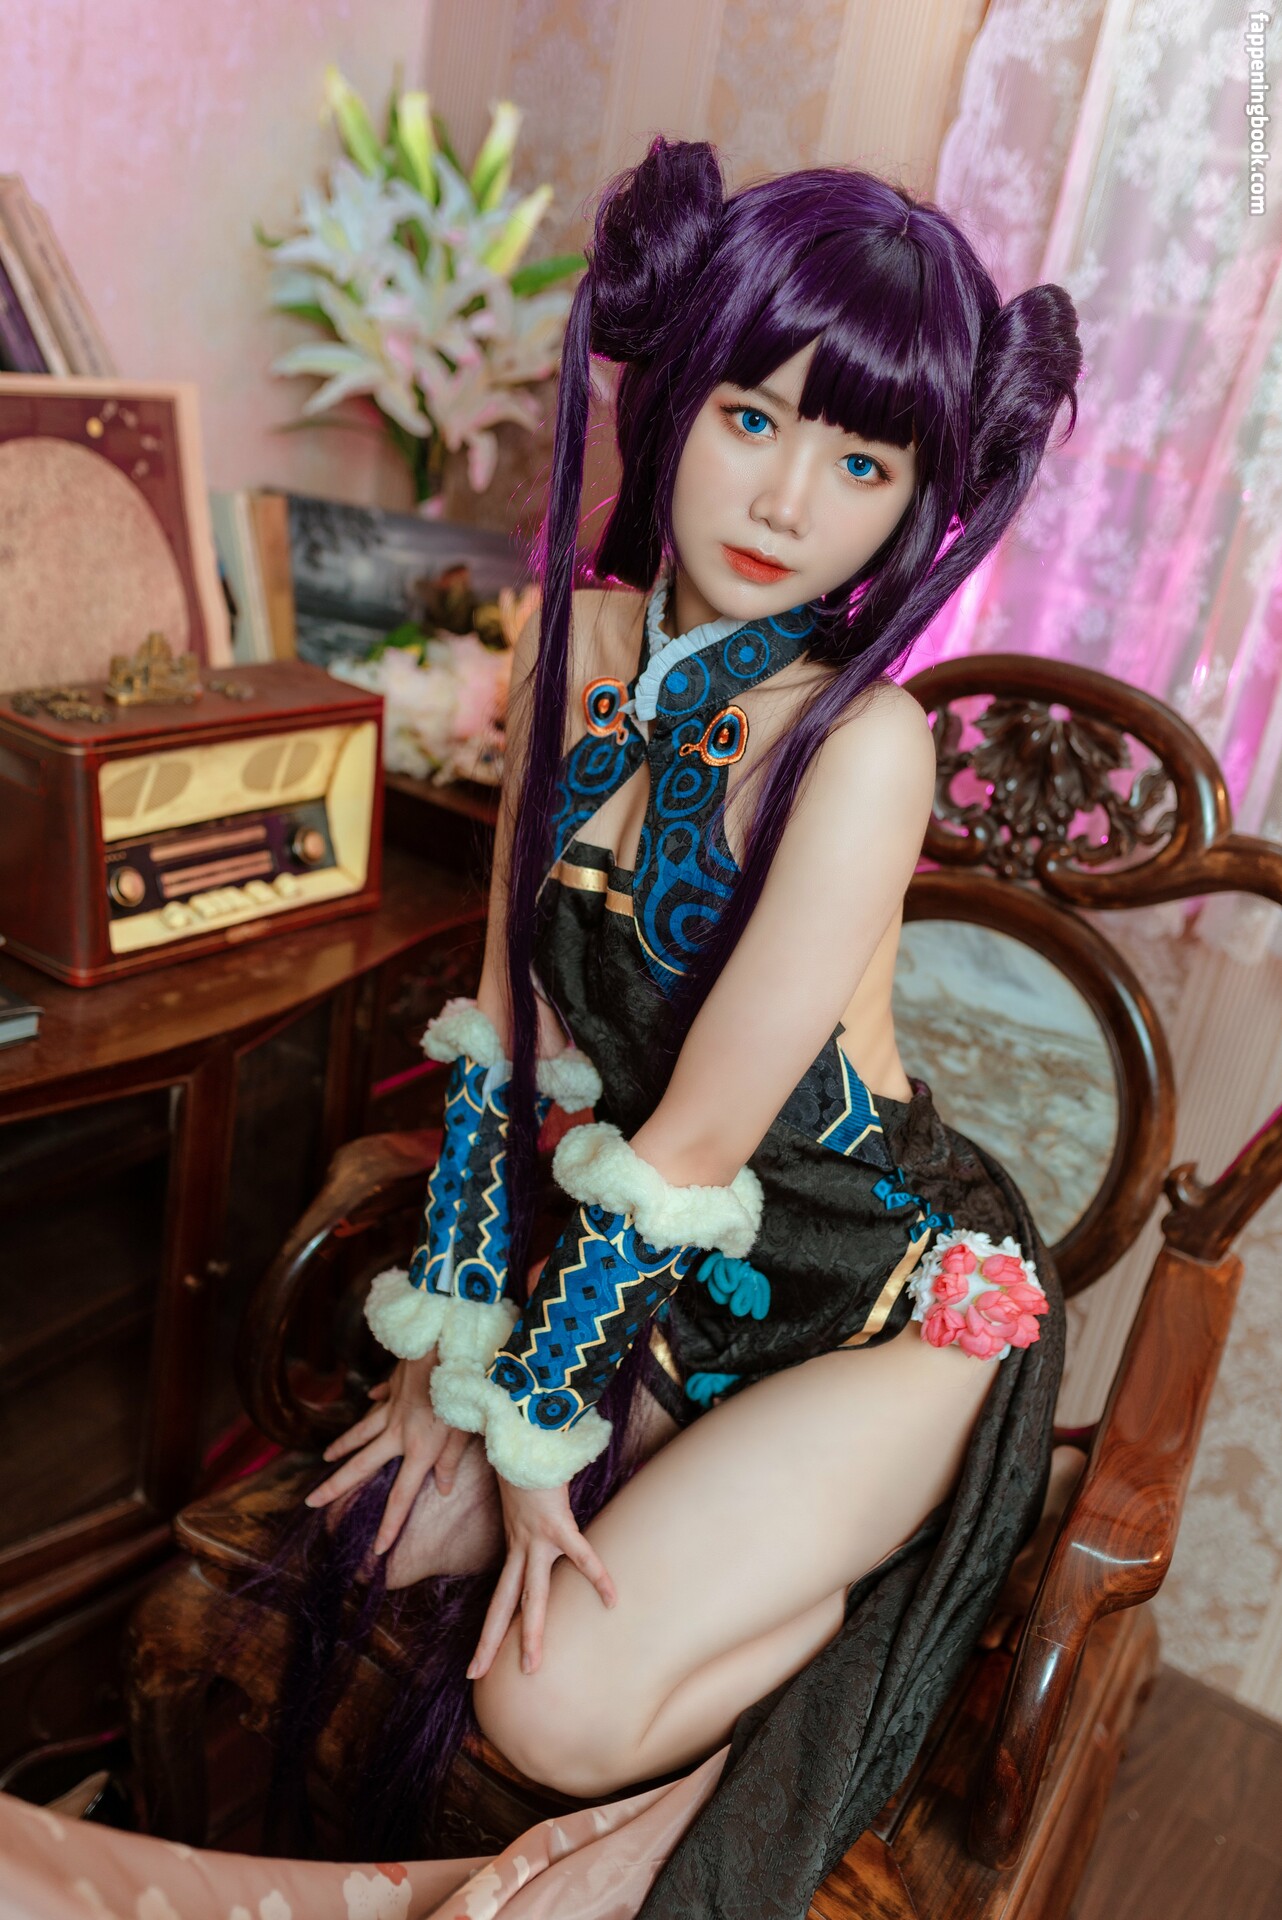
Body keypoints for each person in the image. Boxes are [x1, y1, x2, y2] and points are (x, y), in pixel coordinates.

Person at [290, 137, 1080, 1918]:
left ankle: (835, 1640)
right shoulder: (570, 648)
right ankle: (718, 1540)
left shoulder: (864, 745)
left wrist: (538, 1420)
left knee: (546, 1703)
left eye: (860, 460)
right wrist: (448, 1337)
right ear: (672, 400)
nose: (787, 502)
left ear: (915, 499)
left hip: (872, 1300)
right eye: (751, 416)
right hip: (666, 1279)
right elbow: (503, 1029)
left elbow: (697, 1142)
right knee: (379, 1538)